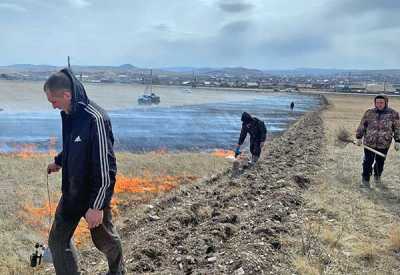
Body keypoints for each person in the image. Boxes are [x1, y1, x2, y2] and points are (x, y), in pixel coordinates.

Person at [45, 69, 124, 275]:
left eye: (53, 101)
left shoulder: (95, 119)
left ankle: (118, 271)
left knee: (104, 241)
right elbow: (75, 145)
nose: (53, 106)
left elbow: (106, 167)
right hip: (71, 193)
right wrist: (59, 161)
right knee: (57, 241)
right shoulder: (69, 114)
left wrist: (96, 207)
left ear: (66, 95)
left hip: (92, 196)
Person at [356, 94, 400, 188]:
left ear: (386, 103)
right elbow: (362, 125)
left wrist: (398, 140)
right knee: (367, 161)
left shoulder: (393, 113)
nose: (379, 104)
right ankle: (365, 179)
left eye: (381, 102)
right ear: (375, 103)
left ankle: (377, 176)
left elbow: (397, 128)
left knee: (380, 162)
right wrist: (359, 137)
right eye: (377, 102)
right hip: (369, 142)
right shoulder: (369, 112)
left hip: (384, 143)